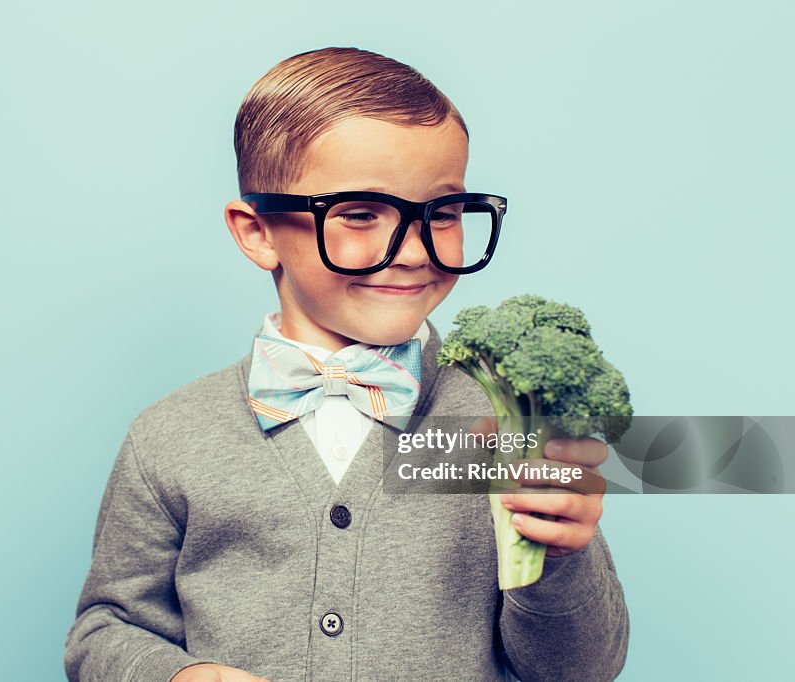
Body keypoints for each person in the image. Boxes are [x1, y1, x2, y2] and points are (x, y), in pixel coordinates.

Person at [64, 46, 628, 682]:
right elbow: (106, 627)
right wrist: (174, 675)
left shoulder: (500, 423)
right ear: (257, 231)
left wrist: (558, 555)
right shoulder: (167, 436)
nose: (414, 251)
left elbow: (581, 670)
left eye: (441, 214)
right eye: (360, 213)